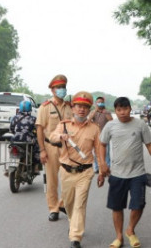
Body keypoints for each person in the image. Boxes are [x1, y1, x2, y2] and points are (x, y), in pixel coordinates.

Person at [98, 97, 151, 248]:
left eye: (125, 109)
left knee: (138, 204)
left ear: (130, 109)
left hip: (138, 173)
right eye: (119, 110)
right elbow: (102, 144)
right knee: (117, 207)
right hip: (117, 174)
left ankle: (130, 230)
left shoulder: (140, 124)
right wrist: (102, 164)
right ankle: (119, 237)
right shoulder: (110, 126)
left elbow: (150, 145)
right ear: (115, 111)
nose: (122, 112)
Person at [49, 91, 102, 248]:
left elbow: (99, 151)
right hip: (66, 171)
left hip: (85, 172)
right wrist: (60, 137)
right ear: (73, 108)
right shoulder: (63, 125)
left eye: (85, 107)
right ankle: (74, 225)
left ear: (89, 110)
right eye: (79, 106)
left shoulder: (94, 128)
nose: (81, 110)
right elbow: (52, 136)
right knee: (70, 204)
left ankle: (75, 237)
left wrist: (103, 171)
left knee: (80, 204)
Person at [36, 74, 73, 222]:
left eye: (63, 87)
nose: (61, 90)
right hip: (51, 147)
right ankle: (53, 208)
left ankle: (62, 203)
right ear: (52, 90)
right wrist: (42, 150)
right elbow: (39, 129)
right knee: (52, 181)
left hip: (67, 148)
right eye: (58, 87)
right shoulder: (45, 107)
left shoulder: (70, 106)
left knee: (69, 179)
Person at [9, 100, 40, 168]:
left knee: (11, 147)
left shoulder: (14, 118)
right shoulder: (33, 119)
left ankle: (11, 166)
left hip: (15, 139)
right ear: (30, 109)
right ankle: (36, 166)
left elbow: (11, 129)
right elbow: (38, 130)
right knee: (38, 146)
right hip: (27, 140)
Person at [90, 96, 113, 173]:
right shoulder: (93, 112)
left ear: (103, 103)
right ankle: (97, 168)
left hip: (105, 134)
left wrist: (105, 113)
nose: (100, 103)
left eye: (101, 102)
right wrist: (95, 111)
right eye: (98, 102)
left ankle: (107, 167)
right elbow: (88, 120)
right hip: (96, 135)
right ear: (96, 103)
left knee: (106, 152)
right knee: (96, 152)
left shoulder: (107, 112)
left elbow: (111, 121)